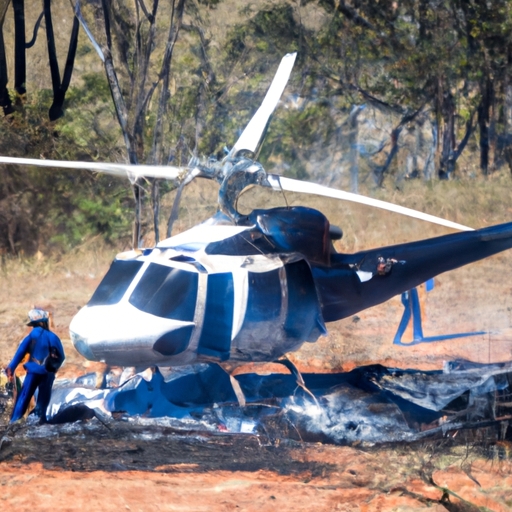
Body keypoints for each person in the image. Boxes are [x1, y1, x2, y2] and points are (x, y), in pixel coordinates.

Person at [5, 309, 65, 423]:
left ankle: (14, 421)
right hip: (47, 373)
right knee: (43, 399)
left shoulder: (30, 337)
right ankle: (41, 421)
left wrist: (10, 369)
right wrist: (54, 367)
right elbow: (61, 356)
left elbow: (19, 354)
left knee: (24, 397)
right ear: (44, 321)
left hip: (32, 372)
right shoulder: (52, 337)